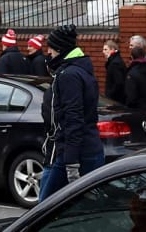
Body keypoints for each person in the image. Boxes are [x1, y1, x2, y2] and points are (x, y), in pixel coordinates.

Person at [38, 25, 105, 202]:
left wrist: (71, 163)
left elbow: (73, 118)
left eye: (50, 48)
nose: (48, 52)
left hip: (74, 153)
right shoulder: (82, 70)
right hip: (88, 148)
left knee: (44, 208)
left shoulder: (68, 75)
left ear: (59, 49)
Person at [123, 35, 146, 138]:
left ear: (139, 47)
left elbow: (131, 96)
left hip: (138, 112)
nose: (130, 48)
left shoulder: (133, 73)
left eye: (132, 45)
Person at [102, 38, 127, 103]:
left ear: (112, 49)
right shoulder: (114, 61)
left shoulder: (115, 63)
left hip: (115, 100)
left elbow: (119, 82)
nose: (103, 52)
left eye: (105, 49)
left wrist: (110, 95)